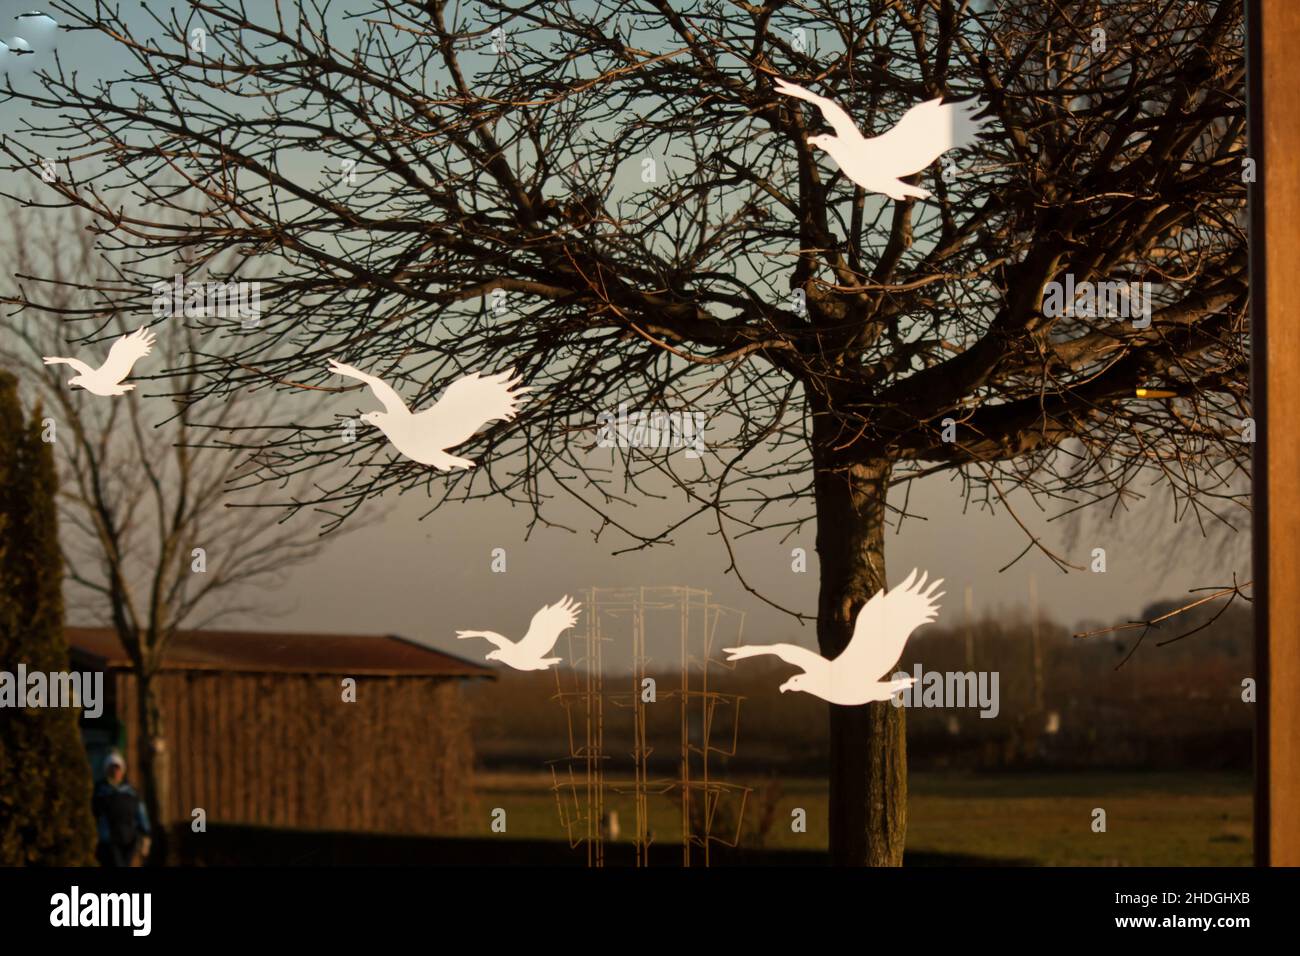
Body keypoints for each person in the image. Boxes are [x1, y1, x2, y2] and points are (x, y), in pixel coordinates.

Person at [92, 752, 151, 866]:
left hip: (129, 840)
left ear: (122, 770)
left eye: (117, 768)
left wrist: (146, 836)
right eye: (112, 768)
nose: (115, 772)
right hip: (108, 841)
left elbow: (141, 814)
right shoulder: (100, 792)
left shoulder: (131, 793)